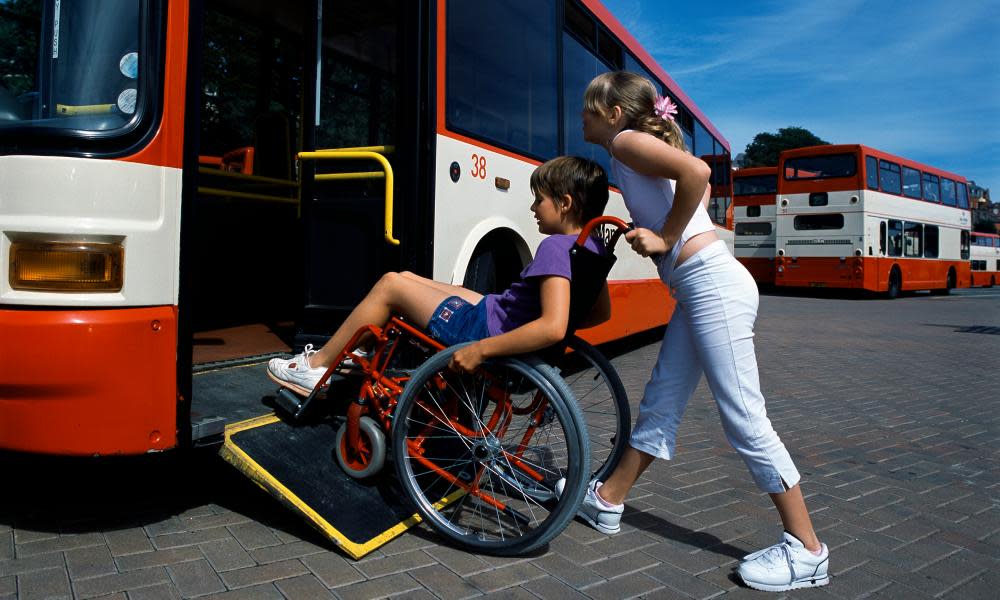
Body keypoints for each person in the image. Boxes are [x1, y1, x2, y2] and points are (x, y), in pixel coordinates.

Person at [577, 71, 829, 592]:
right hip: (701, 287)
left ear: (614, 115)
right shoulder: (629, 147)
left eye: (588, 108)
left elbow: (697, 172)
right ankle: (608, 500)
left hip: (711, 284)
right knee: (662, 401)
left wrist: (665, 237)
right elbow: (695, 179)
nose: (581, 115)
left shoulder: (624, 143)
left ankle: (807, 551)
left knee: (743, 417)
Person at [267, 156, 612, 395]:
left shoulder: (555, 246)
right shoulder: (592, 247)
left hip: (484, 329)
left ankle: (317, 367)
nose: (533, 208)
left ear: (565, 203)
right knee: (407, 276)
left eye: (539, 199)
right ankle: (355, 352)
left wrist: (482, 349)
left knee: (390, 284)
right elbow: (598, 314)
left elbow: (552, 327)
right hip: (497, 314)